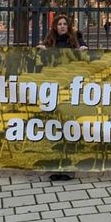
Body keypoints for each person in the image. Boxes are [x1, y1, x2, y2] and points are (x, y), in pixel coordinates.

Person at [38, 14, 88, 181]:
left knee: (69, 125)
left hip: (70, 86)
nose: (61, 26)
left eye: (64, 24)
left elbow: (86, 56)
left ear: (69, 26)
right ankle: (55, 165)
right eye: (59, 24)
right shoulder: (49, 41)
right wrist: (42, 51)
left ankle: (68, 167)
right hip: (53, 87)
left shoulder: (76, 40)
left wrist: (82, 50)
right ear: (54, 26)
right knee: (54, 126)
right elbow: (40, 62)